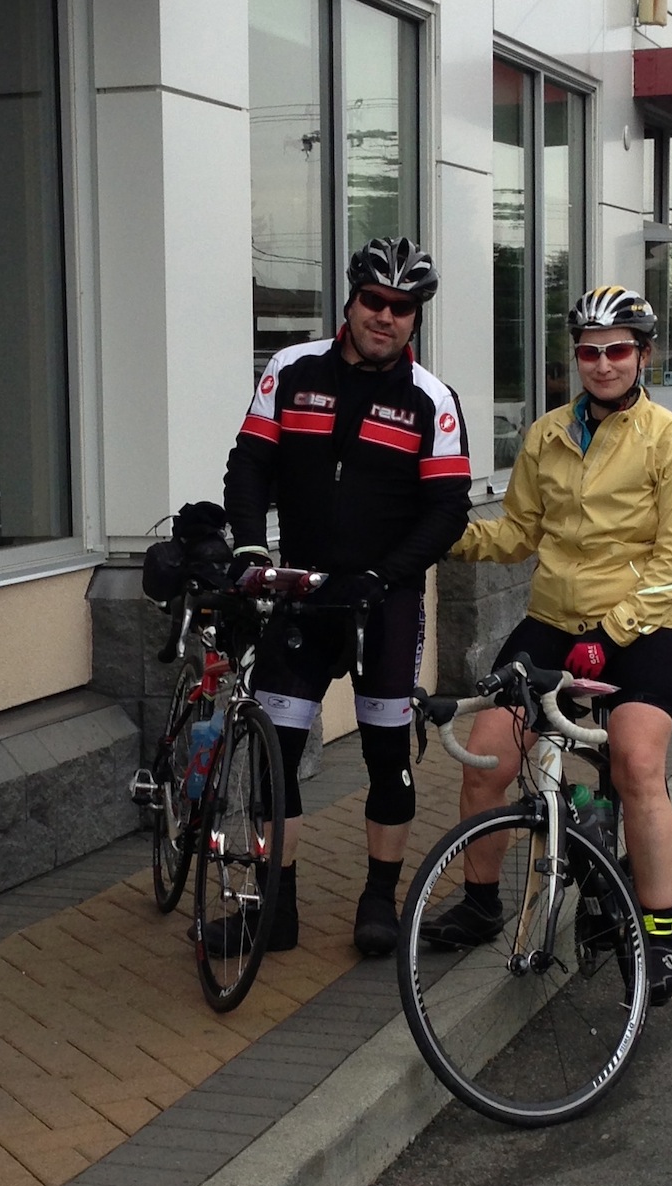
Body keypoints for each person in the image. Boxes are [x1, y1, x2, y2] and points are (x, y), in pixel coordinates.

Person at [423, 285, 672, 1006]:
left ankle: (657, 933)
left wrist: (610, 636)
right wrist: (441, 535)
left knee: (637, 763)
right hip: (555, 619)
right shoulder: (547, 435)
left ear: (644, 356)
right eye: (589, 352)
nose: (603, 364)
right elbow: (518, 533)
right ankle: (482, 903)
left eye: (618, 350)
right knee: (488, 760)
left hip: (648, 627)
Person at [219, 237, 472, 957]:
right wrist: (250, 549)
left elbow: (447, 510)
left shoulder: (432, 400)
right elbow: (250, 463)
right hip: (302, 594)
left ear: (415, 318)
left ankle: (378, 901)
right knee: (275, 755)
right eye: (374, 300)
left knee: (388, 757)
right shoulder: (291, 369)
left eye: (402, 307)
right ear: (351, 300)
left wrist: (383, 576)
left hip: (384, 602)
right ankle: (277, 911)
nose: (385, 316)